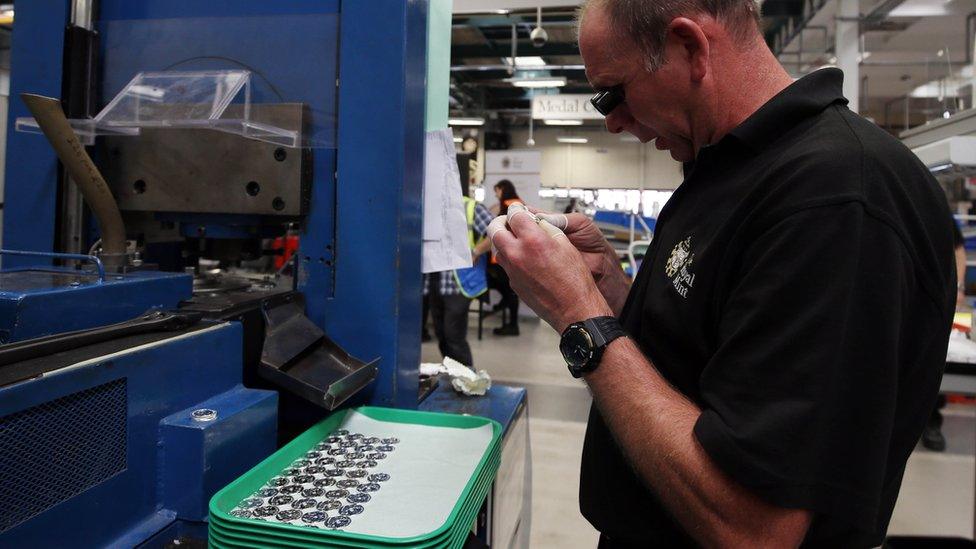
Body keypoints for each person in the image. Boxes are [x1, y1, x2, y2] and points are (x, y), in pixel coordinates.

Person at [487, 0, 956, 546]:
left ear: (690, 47)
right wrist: (611, 296)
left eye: (613, 93)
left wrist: (579, 317)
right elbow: (703, 360)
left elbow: (754, 529)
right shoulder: (726, 167)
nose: (612, 121)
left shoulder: (831, 197)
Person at [423, 192, 494, 367]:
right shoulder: (428, 209)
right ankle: (454, 374)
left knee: (453, 334)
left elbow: (498, 232)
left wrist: (476, 251)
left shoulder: (470, 207)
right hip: (434, 280)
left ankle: (467, 378)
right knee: (441, 334)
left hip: (460, 283)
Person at [922, 222, 968, 451]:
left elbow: (958, 250)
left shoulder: (934, 206)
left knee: (932, 361)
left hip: (932, 296)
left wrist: (958, 287)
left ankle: (931, 423)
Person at [484, 180, 523, 336]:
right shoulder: (518, 203)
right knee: (510, 289)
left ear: (503, 189)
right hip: (515, 254)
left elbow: (499, 229)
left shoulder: (508, 205)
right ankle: (506, 308)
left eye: (497, 191)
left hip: (507, 254)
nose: (496, 194)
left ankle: (512, 324)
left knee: (507, 289)